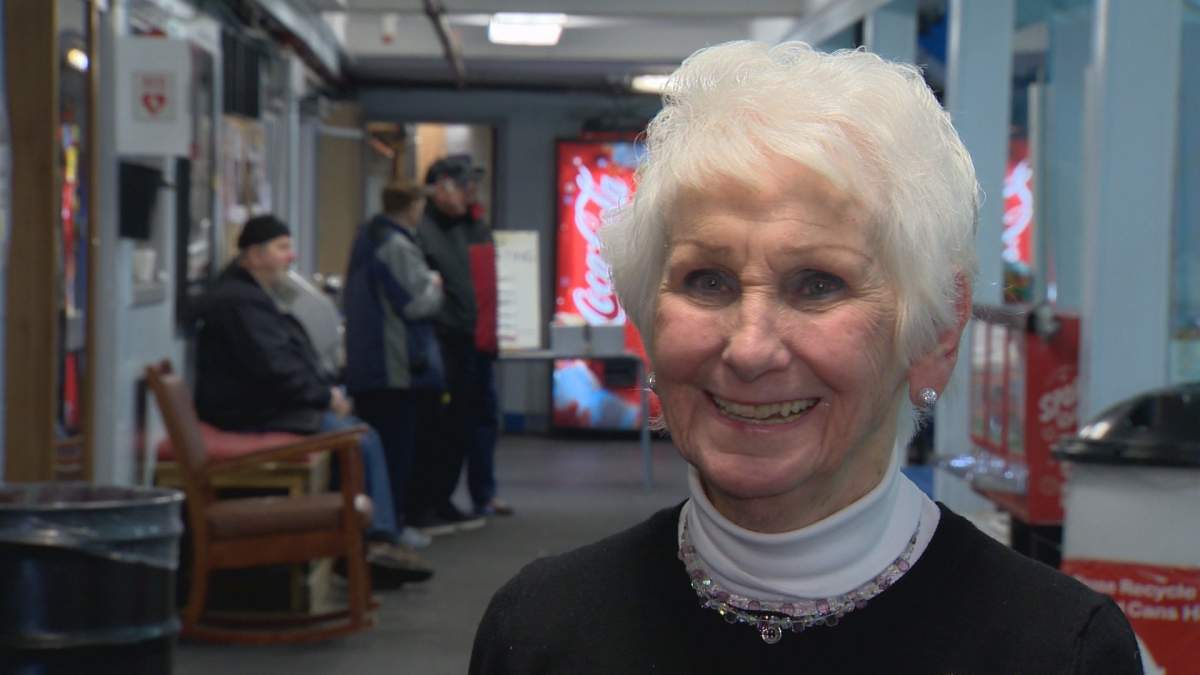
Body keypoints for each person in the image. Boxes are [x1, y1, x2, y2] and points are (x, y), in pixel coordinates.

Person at [470, 42, 1142, 673]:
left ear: (937, 334)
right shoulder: (538, 631)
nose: (751, 347)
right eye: (708, 280)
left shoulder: (1057, 651)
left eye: (818, 284)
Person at [193, 214, 434, 586]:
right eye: (282, 247)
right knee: (361, 438)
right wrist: (324, 397)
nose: (291, 257)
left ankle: (372, 539)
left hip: (263, 404)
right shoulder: (241, 304)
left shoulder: (251, 297)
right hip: (252, 412)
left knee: (359, 431)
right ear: (254, 255)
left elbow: (282, 362)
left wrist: (324, 392)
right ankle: (375, 544)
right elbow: (275, 369)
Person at [344, 180, 445, 550]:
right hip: (394, 366)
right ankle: (394, 525)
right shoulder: (397, 245)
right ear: (412, 207)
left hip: (370, 362)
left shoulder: (367, 238)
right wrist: (436, 284)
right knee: (397, 450)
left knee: (385, 447)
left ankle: (384, 524)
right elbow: (416, 304)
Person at [407, 155, 491, 533]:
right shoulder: (420, 228)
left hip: (471, 340)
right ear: (439, 186)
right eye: (464, 185)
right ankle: (423, 504)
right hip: (438, 341)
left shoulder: (471, 224)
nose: (471, 193)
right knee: (434, 427)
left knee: (461, 424)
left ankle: (442, 498)